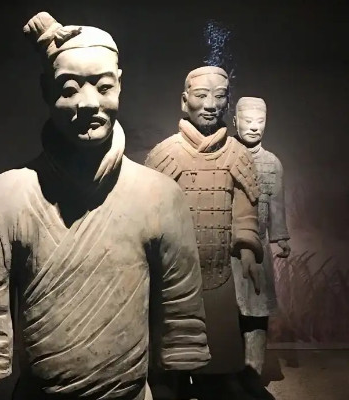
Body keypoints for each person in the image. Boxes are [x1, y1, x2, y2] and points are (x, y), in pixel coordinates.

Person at [0, 12, 210, 400]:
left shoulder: (160, 196)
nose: (88, 103)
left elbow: (180, 315)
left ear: (119, 84)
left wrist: (179, 384)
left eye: (103, 86)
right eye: (69, 88)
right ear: (45, 90)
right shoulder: (4, 198)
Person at [145, 66, 264, 400]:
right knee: (171, 353)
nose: (211, 104)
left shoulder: (237, 155)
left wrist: (248, 250)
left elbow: (244, 211)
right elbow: (148, 214)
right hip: (173, 275)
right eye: (201, 95)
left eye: (219, 96)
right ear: (185, 102)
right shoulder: (165, 154)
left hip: (218, 273)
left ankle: (217, 380)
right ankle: (171, 380)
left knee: (219, 356)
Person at [233, 96, 291, 400]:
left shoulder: (272, 164)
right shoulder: (225, 156)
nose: (254, 127)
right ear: (235, 121)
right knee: (228, 312)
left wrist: (280, 237)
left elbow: (277, 205)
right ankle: (228, 373)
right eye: (248, 120)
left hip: (259, 251)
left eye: (260, 121)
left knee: (257, 313)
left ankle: (252, 372)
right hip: (228, 250)